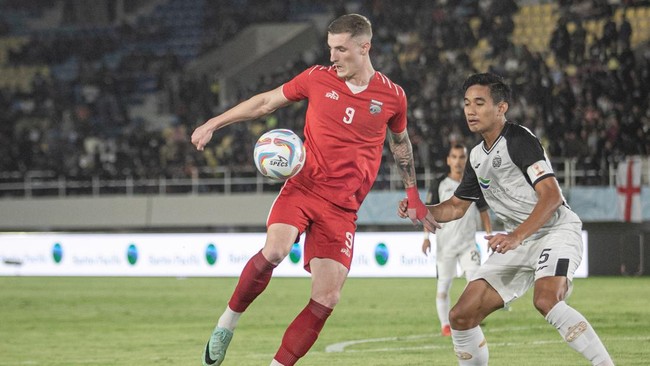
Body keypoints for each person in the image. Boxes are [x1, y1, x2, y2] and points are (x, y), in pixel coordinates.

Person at [191, 13, 439, 366]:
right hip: (304, 188)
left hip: (343, 209)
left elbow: (401, 144)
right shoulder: (316, 79)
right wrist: (215, 122)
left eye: (340, 49)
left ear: (364, 47)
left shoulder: (393, 97)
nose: (333, 57)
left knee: (327, 297)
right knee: (275, 251)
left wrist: (413, 195)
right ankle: (226, 324)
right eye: (330, 48)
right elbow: (265, 102)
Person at [399, 73, 613, 365]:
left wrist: (516, 236)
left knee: (546, 300)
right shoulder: (476, 157)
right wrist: (423, 210)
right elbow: (457, 206)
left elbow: (550, 197)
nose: (470, 111)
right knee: (461, 316)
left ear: (501, 108)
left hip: (555, 231)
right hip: (517, 240)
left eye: (479, 103)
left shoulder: (518, 139)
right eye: (466, 104)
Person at [421, 143, 492, 337]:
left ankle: (471, 321)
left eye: (462, 157)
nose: (458, 161)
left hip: (468, 244)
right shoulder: (440, 184)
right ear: (448, 160)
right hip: (446, 246)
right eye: (454, 157)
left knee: (476, 281)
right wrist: (426, 237)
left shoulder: (472, 182)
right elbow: (428, 210)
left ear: (466, 160)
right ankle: (445, 326)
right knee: (443, 287)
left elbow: (484, 211)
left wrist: (489, 235)